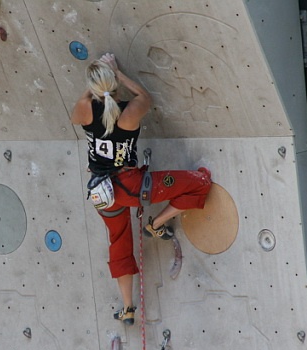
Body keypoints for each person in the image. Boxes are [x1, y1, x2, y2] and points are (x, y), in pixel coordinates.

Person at [71, 53, 212, 325]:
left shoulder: (83, 108)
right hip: (133, 186)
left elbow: (79, 109)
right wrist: (117, 73)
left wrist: (96, 81)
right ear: (114, 84)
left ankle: (127, 308)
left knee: (119, 243)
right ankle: (156, 223)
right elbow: (145, 96)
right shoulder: (129, 114)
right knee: (200, 182)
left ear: (93, 88)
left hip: (104, 194)